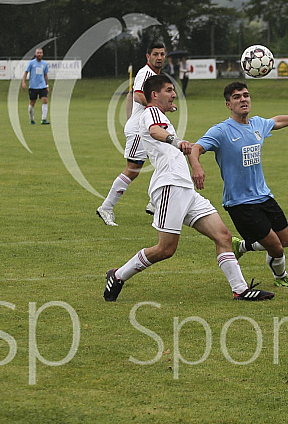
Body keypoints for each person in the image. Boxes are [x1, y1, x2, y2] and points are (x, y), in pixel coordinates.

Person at [103, 75, 274, 302]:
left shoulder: (159, 114)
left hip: (185, 189)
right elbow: (156, 131)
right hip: (169, 186)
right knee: (165, 249)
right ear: (155, 95)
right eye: (169, 90)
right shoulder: (151, 113)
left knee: (223, 236)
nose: (174, 94)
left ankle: (240, 290)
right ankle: (118, 275)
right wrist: (176, 141)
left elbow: (158, 128)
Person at [188, 81, 288, 289]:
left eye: (245, 95)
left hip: (264, 196)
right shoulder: (221, 131)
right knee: (276, 249)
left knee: (286, 240)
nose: (243, 99)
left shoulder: (256, 124)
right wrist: (196, 167)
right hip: (240, 202)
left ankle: (242, 246)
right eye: (237, 97)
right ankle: (281, 276)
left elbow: (276, 121)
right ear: (229, 105)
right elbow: (195, 148)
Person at [96, 41, 166, 226]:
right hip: (140, 130)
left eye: (162, 54)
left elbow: (129, 95)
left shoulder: (155, 76)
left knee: (165, 160)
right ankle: (106, 208)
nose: (159, 57)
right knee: (132, 170)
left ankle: (154, 203)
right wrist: (155, 108)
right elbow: (136, 95)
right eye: (155, 54)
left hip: (147, 128)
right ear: (148, 56)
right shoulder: (146, 73)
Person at [21, 48, 50, 125]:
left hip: (42, 86)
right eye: (38, 53)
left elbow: (46, 75)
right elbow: (26, 72)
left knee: (45, 100)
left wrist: (47, 85)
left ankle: (43, 119)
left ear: (42, 54)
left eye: (40, 53)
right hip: (33, 87)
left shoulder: (45, 64)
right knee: (32, 103)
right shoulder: (31, 63)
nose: (39, 54)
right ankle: (32, 120)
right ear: (35, 54)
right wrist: (23, 82)